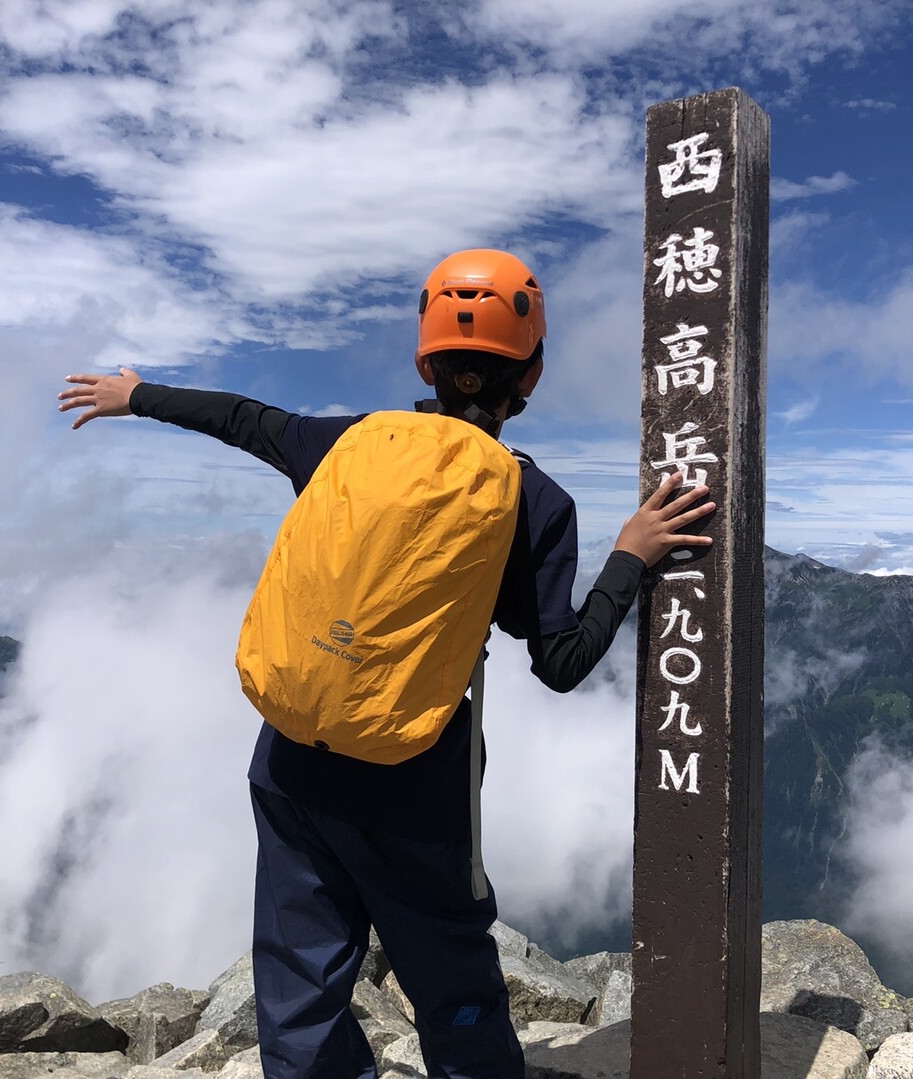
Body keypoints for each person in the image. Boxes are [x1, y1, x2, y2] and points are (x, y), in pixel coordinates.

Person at [59, 249, 716, 1079]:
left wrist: (136, 396)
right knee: (450, 975)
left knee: (299, 981)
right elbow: (561, 660)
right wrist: (631, 556)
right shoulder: (534, 501)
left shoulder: (343, 444)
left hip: (291, 754)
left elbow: (241, 417)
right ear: (533, 375)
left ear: (424, 362)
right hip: (414, 782)